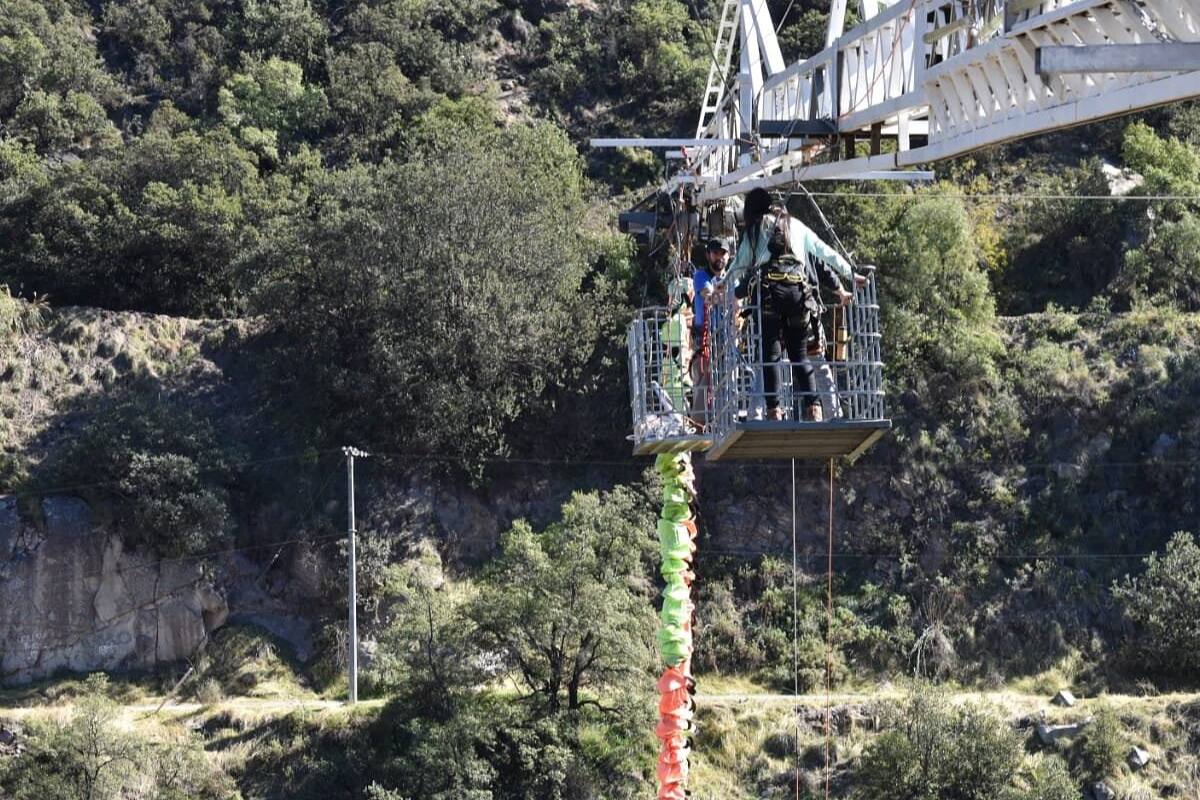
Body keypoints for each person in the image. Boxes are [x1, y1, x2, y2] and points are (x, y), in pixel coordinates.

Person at [732, 189, 865, 421]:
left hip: (769, 296)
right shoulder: (797, 226)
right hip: (799, 296)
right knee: (800, 355)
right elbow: (825, 253)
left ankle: (773, 410)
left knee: (771, 356)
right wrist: (851, 274)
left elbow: (738, 265)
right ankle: (814, 408)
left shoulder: (756, 229)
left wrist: (725, 289)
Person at [689, 238, 731, 424]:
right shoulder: (701, 276)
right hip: (705, 336)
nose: (719, 258)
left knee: (728, 375)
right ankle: (699, 423)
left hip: (726, 335)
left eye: (723, 254)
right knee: (704, 377)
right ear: (708, 255)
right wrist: (725, 295)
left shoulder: (732, 278)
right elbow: (708, 294)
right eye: (715, 253)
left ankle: (725, 416)